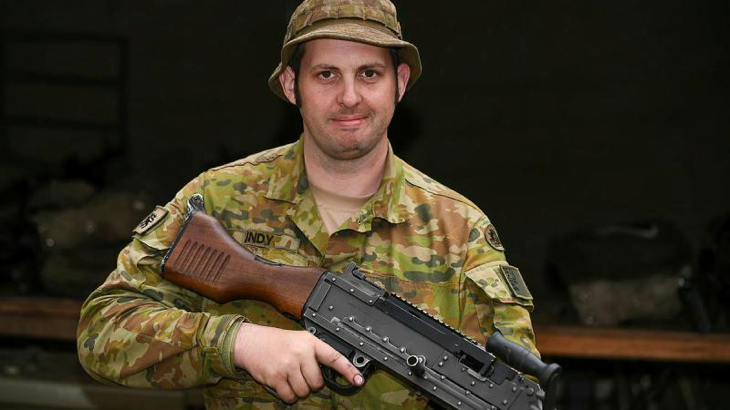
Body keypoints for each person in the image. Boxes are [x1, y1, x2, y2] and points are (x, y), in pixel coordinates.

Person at [77, 0, 539, 408]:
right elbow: (102, 332)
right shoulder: (219, 199)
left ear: (399, 84)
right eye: (326, 74)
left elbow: (506, 384)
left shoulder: (460, 229)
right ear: (291, 84)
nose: (350, 97)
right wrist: (238, 341)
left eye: (369, 74)